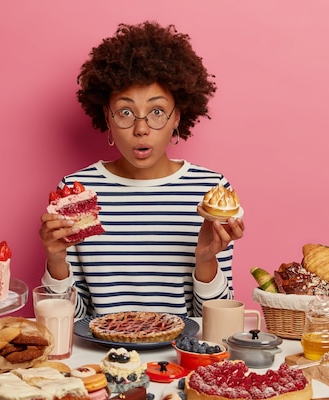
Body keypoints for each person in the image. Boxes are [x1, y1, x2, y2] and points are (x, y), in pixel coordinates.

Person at [39, 21, 244, 318]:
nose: (141, 128)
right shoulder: (77, 190)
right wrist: (56, 261)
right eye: (125, 112)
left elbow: (211, 322)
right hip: (100, 360)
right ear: (106, 118)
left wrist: (205, 261)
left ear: (177, 117)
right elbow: (74, 320)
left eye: (157, 111)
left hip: (179, 360)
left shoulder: (209, 190)